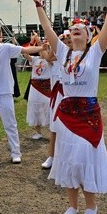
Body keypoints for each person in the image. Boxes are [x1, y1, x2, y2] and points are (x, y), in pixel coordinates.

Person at [28, 0, 107, 214]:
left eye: (81, 28)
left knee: (84, 157)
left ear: (89, 34)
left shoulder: (95, 52)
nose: (75, 29)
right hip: (68, 111)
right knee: (68, 157)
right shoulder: (63, 52)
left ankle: (91, 205)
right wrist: (39, 7)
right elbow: (48, 30)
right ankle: (72, 204)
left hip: (88, 112)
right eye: (73, 28)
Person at [0, 23, 43, 163]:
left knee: (10, 124)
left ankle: (15, 152)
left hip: (4, 93)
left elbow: (25, 50)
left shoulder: (6, 48)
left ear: (0, 35)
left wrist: (42, 47)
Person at [41, 31, 71, 169]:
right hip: (57, 96)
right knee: (55, 126)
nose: (66, 45)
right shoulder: (56, 57)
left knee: (70, 127)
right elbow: (48, 57)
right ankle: (52, 156)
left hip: (70, 97)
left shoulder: (77, 58)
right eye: (64, 43)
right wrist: (54, 46)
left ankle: (67, 157)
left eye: (69, 42)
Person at [23, 32, 52, 140]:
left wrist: (40, 43)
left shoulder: (50, 61)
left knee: (47, 108)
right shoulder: (35, 60)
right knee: (34, 107)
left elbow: (45, 54)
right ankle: (38, 132)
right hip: (34, 86)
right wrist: (32, 41)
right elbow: (25, 54)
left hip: (46, 86)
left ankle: (51, 130)